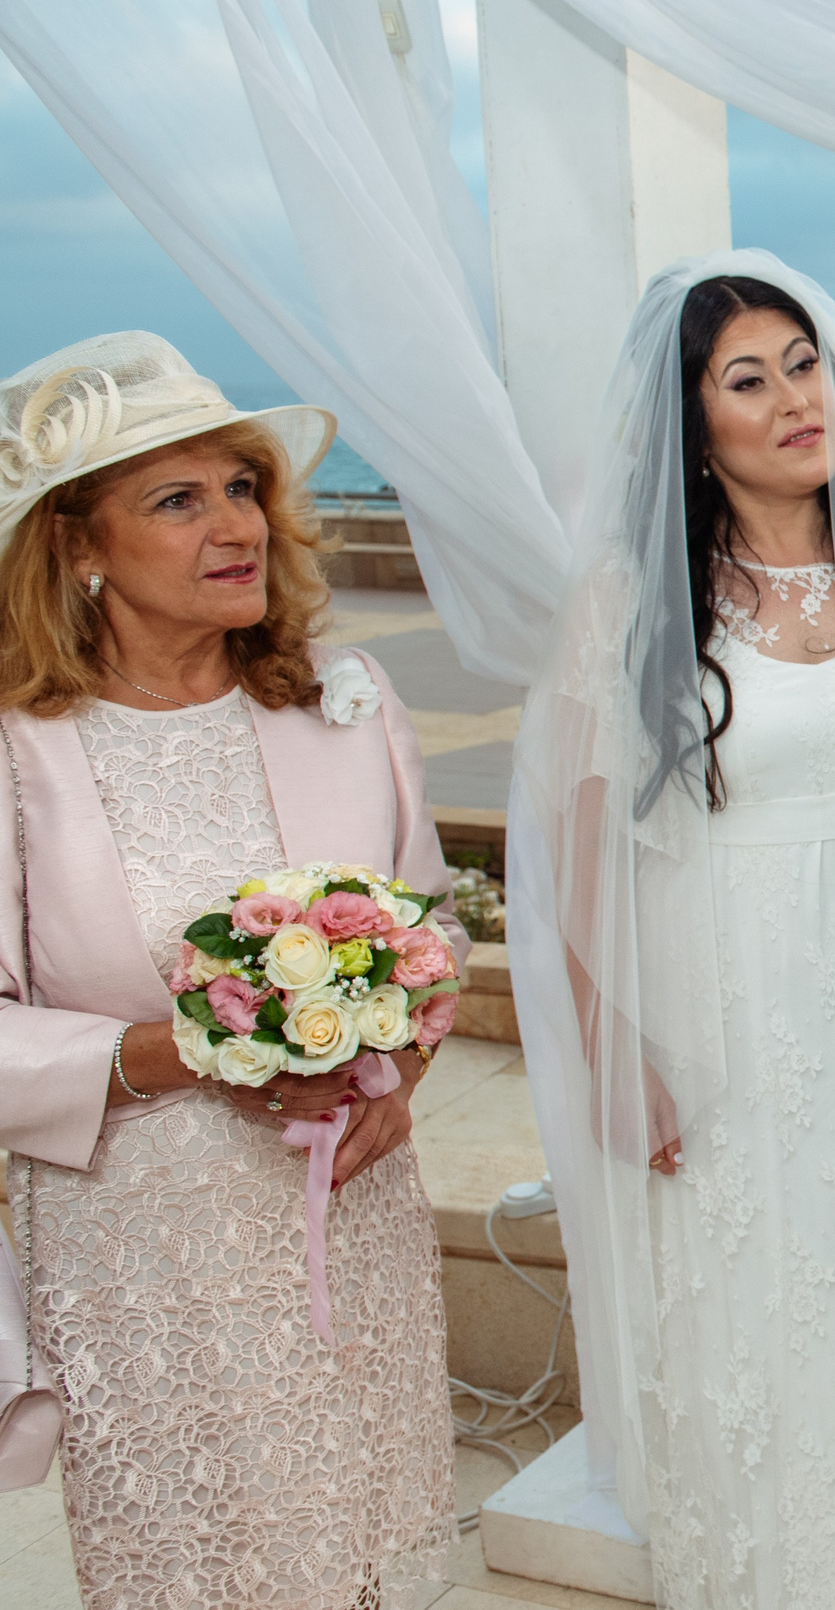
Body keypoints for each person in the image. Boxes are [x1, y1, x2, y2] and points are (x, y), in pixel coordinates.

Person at [507, 252, 835, 1609]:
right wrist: (614, 1039)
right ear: (695, 428)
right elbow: (576, 857)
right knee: (763, 1324)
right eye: (749, 379)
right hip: (729, 1002)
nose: (796, 396)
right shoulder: (631, 608)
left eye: (805, 363)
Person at [0, 333, 460, 1606]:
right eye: (177, 498)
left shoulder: (344, 703)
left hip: (350, 1210)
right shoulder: (20, 752)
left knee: (357, 1543)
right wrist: (178, 1049)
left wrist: (402, 1074)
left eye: (243, 488)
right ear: (77, 545)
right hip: (142, 1239)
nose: (233, 523)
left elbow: (430, 939)